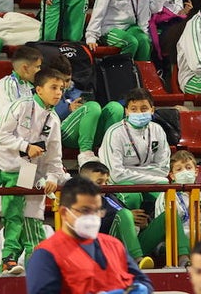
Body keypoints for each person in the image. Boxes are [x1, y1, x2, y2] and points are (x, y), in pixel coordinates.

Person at [0, 67, 69, 269]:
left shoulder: (54, 120)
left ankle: (8, 258)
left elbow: (54, 157)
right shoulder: (18, 106)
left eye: (61, 89)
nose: (58, 93)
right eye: (54, 87)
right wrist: (26, 147)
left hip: (26, 168)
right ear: (39, 89)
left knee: (15, 213)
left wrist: (53, 178)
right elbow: (3, 136)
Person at [25, 176, 154, 294]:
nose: (93, 216)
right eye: (85, 210)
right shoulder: (46, 254)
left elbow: (143, 281)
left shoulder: (114, 245)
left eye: (97, 210)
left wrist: (140, 289)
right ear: (64, 213)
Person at [78, 160, 160, 270]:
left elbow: (125, 215)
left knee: (166, 219)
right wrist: (127, 216)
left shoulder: (110, 195)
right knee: (125, 213)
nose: (104, 186)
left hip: (129, 245)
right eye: (99, 182)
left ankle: (181, 260)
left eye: (106, 182)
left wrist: (143, 223)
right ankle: (137, 260)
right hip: (105, 250)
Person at [96, 88, 169, 204]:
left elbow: (164, 169)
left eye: (144, 109)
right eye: (134, 109)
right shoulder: (114, 133)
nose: (139, 113)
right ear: (126, 111)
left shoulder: (157, 129)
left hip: (149, 182)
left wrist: (128, 170)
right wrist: (154, 176)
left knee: (166, 196)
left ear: (152, 110)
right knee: (132, 196)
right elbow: (115, 175)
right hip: (120, 184)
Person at [154, 150, 201, 251]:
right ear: (172, 175)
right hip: (177, 242)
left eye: (188, 168)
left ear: (196, 172)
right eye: (179, 169)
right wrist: (198, 237)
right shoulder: (166, 195)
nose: (184, 172)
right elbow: (166, 227)